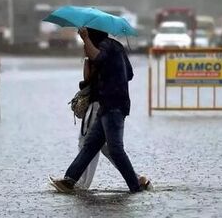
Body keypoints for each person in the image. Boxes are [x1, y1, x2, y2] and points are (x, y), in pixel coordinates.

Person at [50, 27, 151, 193]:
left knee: (115, 149)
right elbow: (129, 73)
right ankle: (69, 181)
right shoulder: (115, 46)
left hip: (113, 105)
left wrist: (86, 41)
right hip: (107, 105)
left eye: (86, 34)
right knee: (90, 145)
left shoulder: (106, 47)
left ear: (92, 34)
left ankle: (136, 185)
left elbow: (99, 58)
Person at [75, 52, 151, 190]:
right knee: (106, 147)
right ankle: (137, 179)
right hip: (106, 104)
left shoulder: (98, 55)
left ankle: (81, 183)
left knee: (87, 143)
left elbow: (88, 80)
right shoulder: (110, 54)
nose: (83, 46)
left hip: (99, 104)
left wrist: (87, 60)